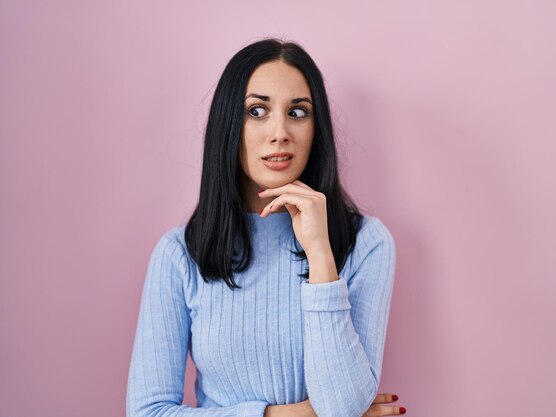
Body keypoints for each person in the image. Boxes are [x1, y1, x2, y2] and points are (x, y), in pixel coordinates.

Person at [126, 38, 405, 417]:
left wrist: (320, 255)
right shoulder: (180, 254)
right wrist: (295, 414)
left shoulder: (367, 244)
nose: (280, 132)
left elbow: (341, 407)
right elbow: (147, 412)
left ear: (315, 128)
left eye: (298, 112)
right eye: (256, 111)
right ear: (229, 125)